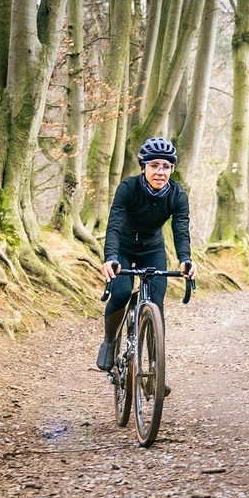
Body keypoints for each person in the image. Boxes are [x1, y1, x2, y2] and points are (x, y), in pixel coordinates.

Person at [97, 137, 198, 380]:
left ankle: (156, 371)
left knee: (156, 301)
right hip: (123, 247)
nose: (160, 172)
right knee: (120, 293)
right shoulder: (128, 188)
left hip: (152, 249)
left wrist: (185, 259)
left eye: (166, 166)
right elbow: (114, 225)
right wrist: (111, 256)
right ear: (144, 167)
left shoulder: (177, 195)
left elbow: (181, 230)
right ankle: (110, 342)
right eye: (154, 166)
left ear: (172, 169)